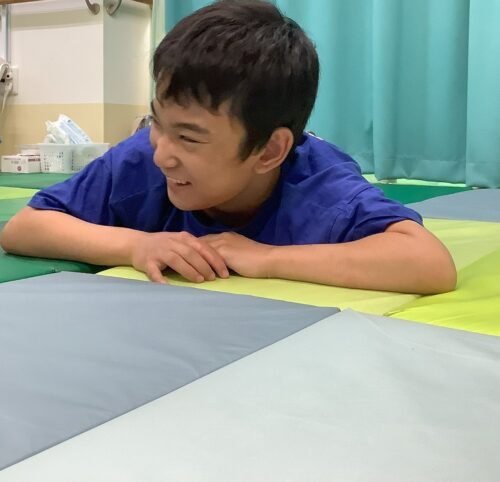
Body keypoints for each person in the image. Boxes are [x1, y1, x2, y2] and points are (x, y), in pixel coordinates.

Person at [0, 0, 456, 294]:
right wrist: (137, 246)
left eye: (189, 137)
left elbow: (429, 263)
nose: (162, 153)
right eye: (157, 121)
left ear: (269, 152)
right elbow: (25, 227)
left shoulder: (320, 186)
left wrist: (267, 258)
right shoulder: (142, 158)